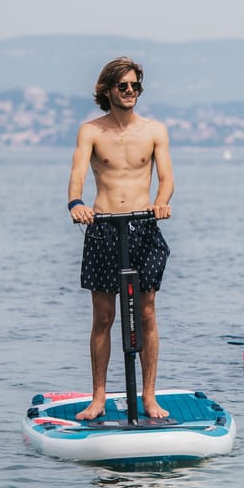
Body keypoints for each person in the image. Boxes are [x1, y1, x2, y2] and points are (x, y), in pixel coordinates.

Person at [67, 57, 174, 420]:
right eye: (123, 86)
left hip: (144, 226)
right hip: (104, 226)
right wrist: (76, 203)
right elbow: (78, 173)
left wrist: (161, 203)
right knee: (103, 316)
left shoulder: (155, 130)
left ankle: (149, 396)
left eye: (135, 86)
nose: (130, 91)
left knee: (146, 311)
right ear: (108, 91)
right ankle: (98, 397)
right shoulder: (91, 131)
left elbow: (168, 178)